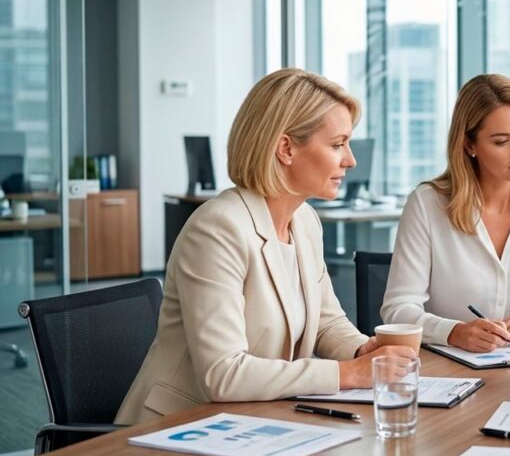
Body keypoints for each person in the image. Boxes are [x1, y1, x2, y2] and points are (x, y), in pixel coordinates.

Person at [116, 69, 414, 425]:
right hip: (177, 430)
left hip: (251, 422)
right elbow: (223, 373)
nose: (350, 160)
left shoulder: (304, 221)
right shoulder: (218, 228)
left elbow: (325, 321)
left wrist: (362, 350)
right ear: (286, 148)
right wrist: (348, 374)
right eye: (337, 144)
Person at [381, 74, 510, 352]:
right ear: (469, 145)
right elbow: (398, 308)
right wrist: (453, 332)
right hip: (451, 370)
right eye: (502, 142)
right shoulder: (427, 204)